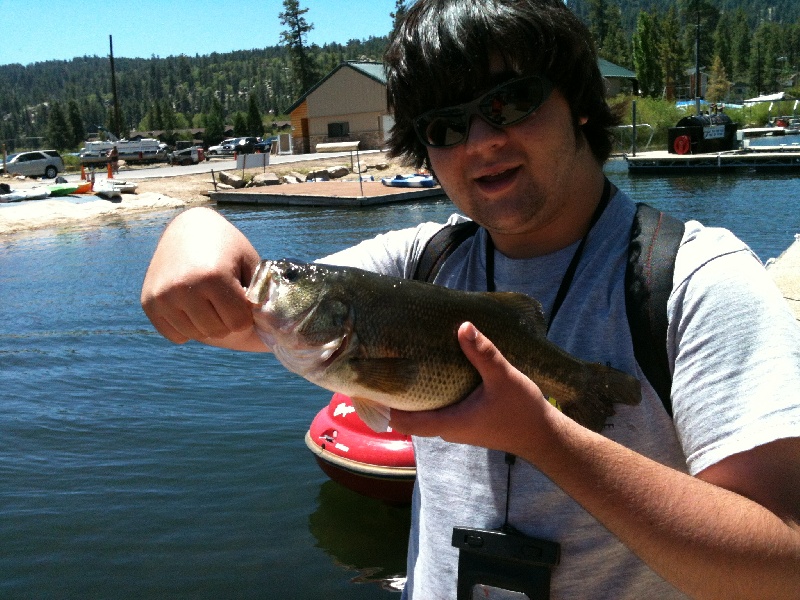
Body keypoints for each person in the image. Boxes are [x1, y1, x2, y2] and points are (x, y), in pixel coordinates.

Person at [141, 0, 800, 597]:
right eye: (446, 125)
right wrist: (191, 229)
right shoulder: (419, 267)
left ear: (579, 103)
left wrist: (545, 438)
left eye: (510, 102)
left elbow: (782, 568)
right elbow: (246, 315)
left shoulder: (695, 282)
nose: (481, 140)